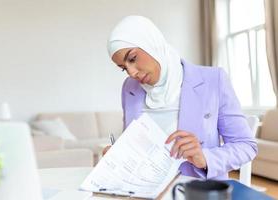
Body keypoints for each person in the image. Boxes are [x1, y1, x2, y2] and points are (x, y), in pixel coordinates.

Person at [103, 15, 257, 180]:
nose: (132, 72)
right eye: (123, 68)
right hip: (145, 190)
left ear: (151, 43)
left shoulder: (214, 80)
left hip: (196, 191)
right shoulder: (130, 88)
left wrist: (204, 158)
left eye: (133, 58)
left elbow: (246, 146)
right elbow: (137, 145)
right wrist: (118, 155)